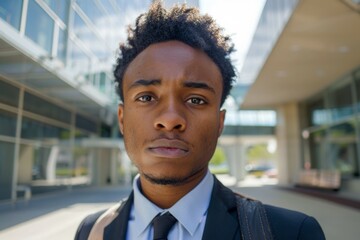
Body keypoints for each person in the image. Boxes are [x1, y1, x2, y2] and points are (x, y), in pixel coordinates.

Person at [75, 2, 325, 240]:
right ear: (121, 117)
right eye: (147, 97)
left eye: (196, 100)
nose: (170, 119)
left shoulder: (291, 233)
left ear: (220, 122)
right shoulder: (91, 231)